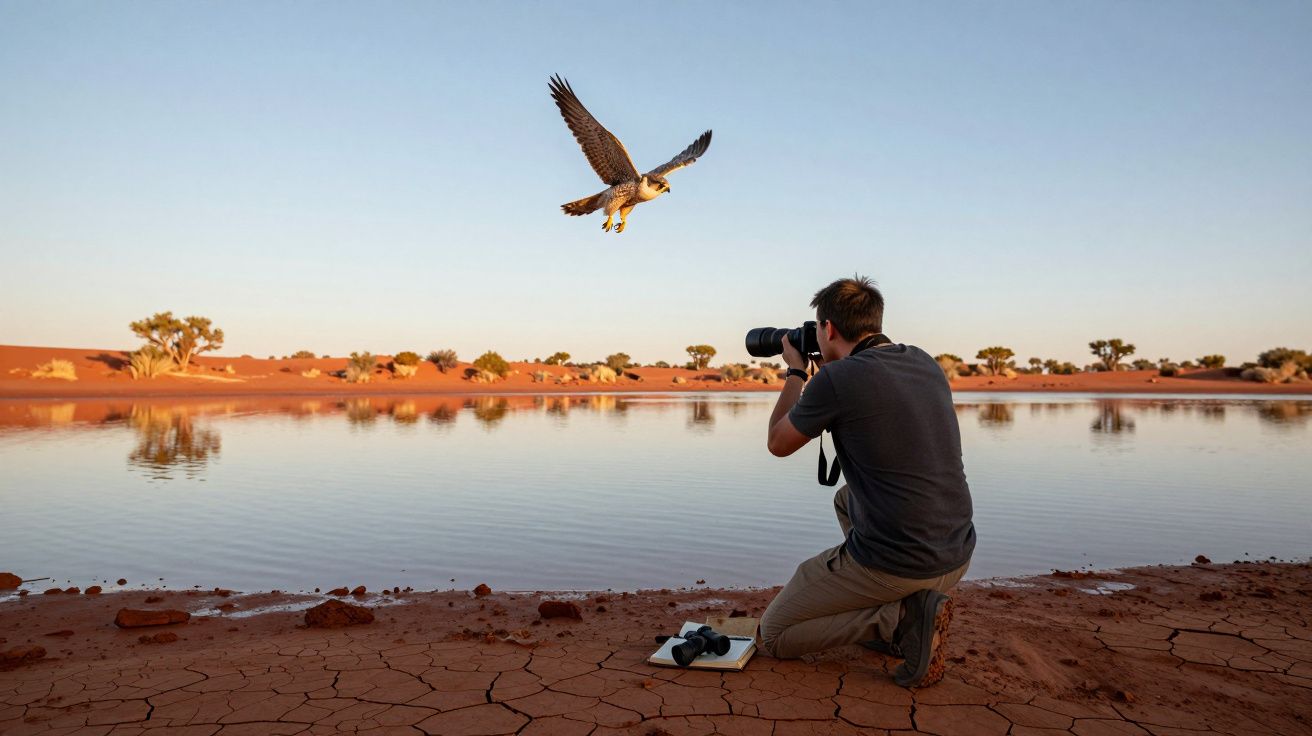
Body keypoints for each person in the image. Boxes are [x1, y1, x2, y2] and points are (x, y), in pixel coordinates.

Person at [759, 275, 976, 688]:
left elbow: (778, 443)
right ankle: (908, 601)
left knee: (774, 635)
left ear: (828, 329)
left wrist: (795, 372)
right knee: (846, 499)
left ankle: (898, 620)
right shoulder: (923, 361)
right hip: (956, 553)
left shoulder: (836, 380)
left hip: (903, 562)